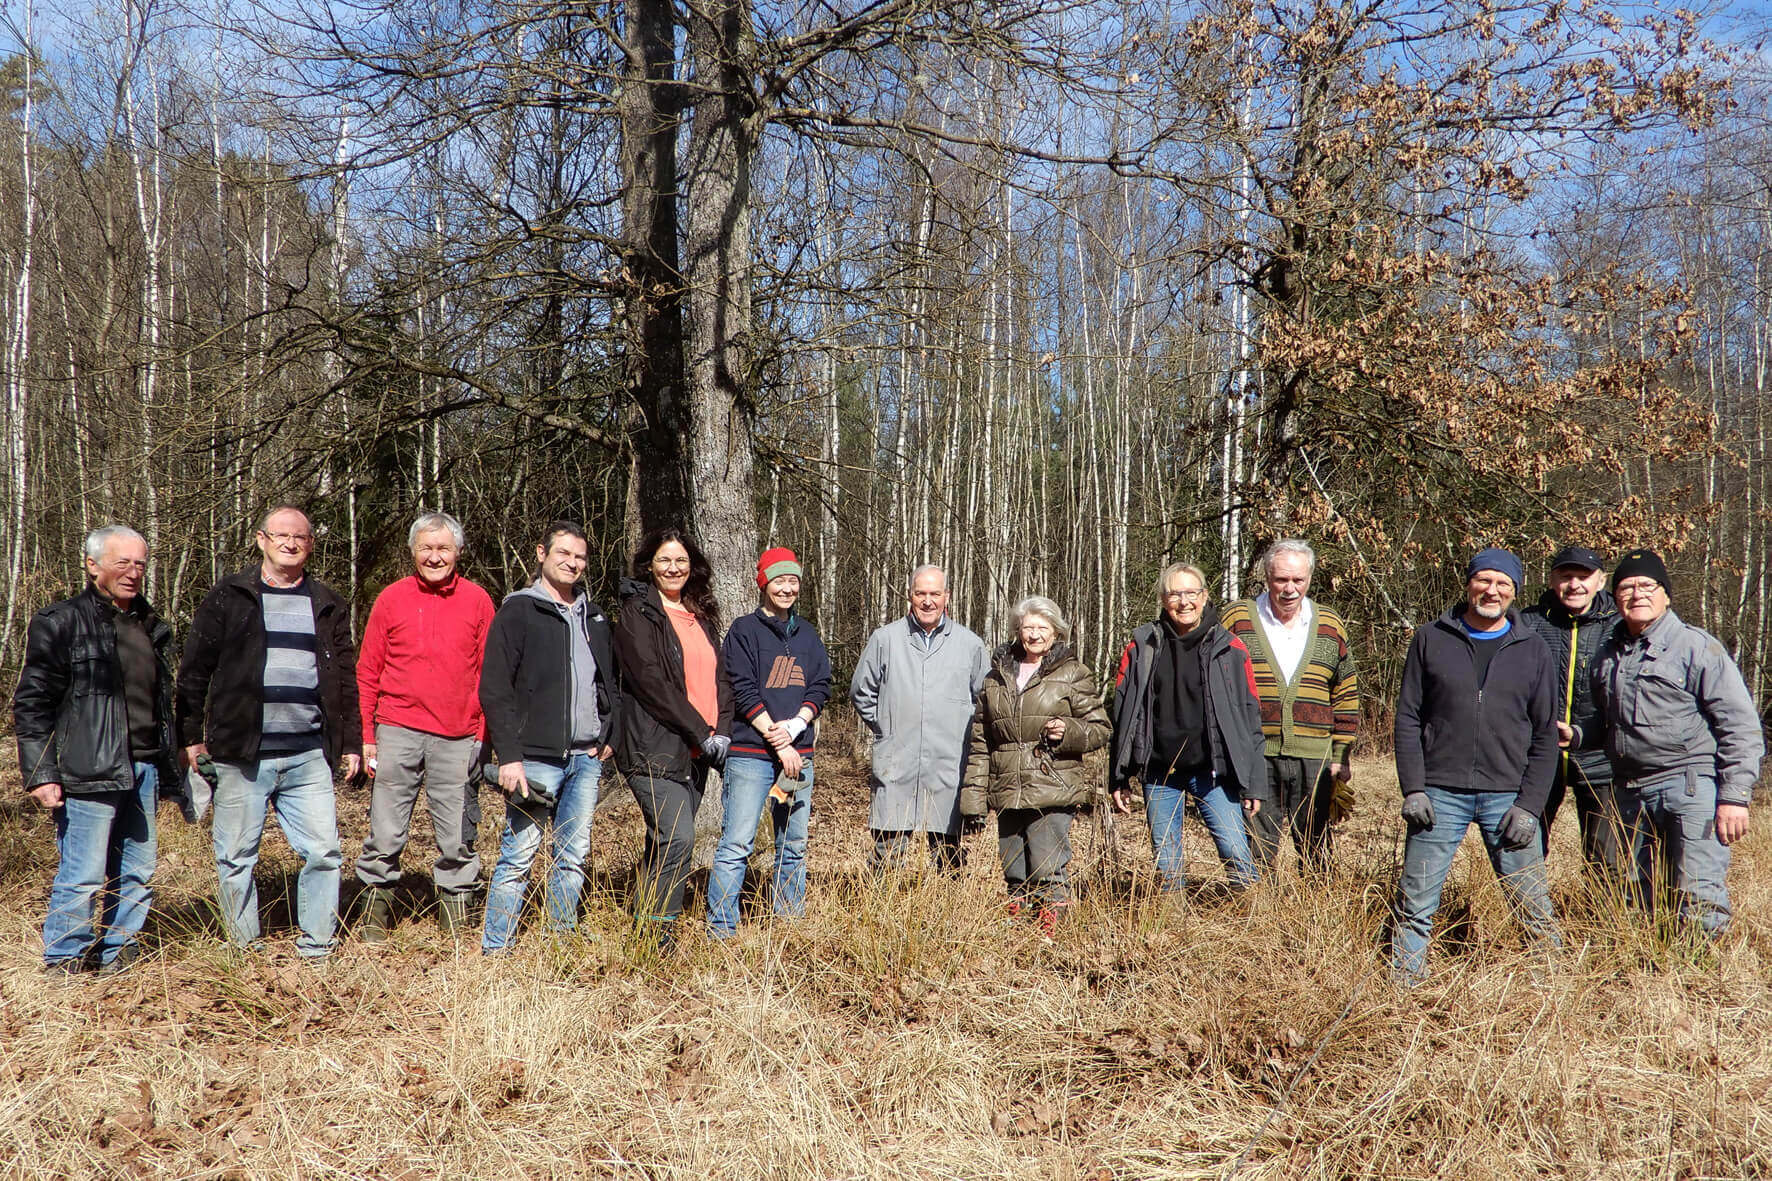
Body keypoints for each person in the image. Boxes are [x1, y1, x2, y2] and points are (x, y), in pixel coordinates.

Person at [176, 506, 361, 959]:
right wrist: (189, 736)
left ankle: (317, 945)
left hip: (308, 754)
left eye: (300, 537)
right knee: (236, 857)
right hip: (242, 752)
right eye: (281, 535)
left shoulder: (327, 603)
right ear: (261, 539)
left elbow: (345, 680)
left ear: (310, 545)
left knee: (323, 854)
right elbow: (194, 672)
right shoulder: (230, 596)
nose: (290, 543)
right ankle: (243, 948)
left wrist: (351, 742)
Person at [1390, 548, 1562, 983]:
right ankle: (1403, 991)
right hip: (1438, 793)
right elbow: (1408, 717)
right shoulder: (1430, 638)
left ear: (1514, 591)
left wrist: (1530, 805)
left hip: (1508, 797)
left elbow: (1545, 734)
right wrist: (1413, 787)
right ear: (1468, 584)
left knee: (1533, 907)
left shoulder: (1534, 649)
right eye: (1484, 580)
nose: (1493, 590)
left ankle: (1554, 993)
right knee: (1416, 905)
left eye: (1503, 584)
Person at [13, 526, 178, 977]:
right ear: (92, 565)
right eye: (122, 562)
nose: (132, 572)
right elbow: (32, 702)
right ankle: (64, 961)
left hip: (143, 767)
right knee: (83, 874)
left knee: (138, 873)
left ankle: (118, 955)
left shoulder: (149, 624)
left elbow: (159, 702)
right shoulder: (62, 621)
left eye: (140, 564)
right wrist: (40, 772)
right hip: (87, 767)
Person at [1585, 549, 1764, 936]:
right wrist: (1578, 734)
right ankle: (1655, 974)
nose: (1637, 594)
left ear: (1665, 593)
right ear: (1614, 598)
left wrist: (1734, 797)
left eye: (1647, 585)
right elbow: (1607, 723)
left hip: (1689, 784)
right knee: (1640, 892)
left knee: (1698, 890)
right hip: (1630, 791)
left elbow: (1740, 725)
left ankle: (1700, 980)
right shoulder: (1606, 656)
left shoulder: (1696, 647)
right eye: (1626, 587)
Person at [477, 520, 620, 954]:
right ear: (542, 553)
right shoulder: (519, 610)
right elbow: (495, 688)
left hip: (585, 758)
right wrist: (510, 757)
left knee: (572, 857)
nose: (572, 563)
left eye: (579, 557)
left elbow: (607, 681)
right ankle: (496, 948)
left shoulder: (594, 616)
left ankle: (559, 943)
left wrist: (609, 729)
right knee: (519, 856)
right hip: (535, 758)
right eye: (564, 554)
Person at [353, 511, 496, 940]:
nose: (435, 557)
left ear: (458, 552)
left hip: (458, 734)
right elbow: (367, 671)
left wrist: (482, 735)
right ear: (413, 552)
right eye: (426, 548)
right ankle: (373, 924)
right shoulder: (391, 599)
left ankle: (456, 926)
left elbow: (490, 675)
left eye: (443, 548)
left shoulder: (478, 600)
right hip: (396, 729)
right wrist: (366, 736)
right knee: (385, 831)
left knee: (456, 835)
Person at [1109, 562, 1269, 893]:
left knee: (1236, 852)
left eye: (1191, 593)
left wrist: (1254, 783)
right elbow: (1123, 715)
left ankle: (1256, 928)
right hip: (1159, 774)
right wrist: (1118, 776)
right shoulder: (1142, 645)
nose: (1184, 602)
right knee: (1167, 864)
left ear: (1205, 596)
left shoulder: (1231, 648)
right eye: (1175, 594)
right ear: (1163, 599)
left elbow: (1250, 719)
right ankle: (1171, 930)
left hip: (1214, 772)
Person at [961, 597, 1110, 934]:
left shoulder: (1073, 673)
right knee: (1013, 869)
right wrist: (973, 799)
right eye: (1028, 627)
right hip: (1006, 789)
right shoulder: (996, 676)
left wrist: (1067, 731)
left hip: (1051, 786)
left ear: (1056, 632)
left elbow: (1100, 729)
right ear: (1018, 630)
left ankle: (1052, 936)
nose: (1034, 634)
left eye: (1042, 627)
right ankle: (1018, 935)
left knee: (1047, 867)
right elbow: (982, 741)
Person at [614, 527, 733, 944]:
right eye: (664, 560)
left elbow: (720, 678)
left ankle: (642, 925)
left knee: (662, 842)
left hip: (698, 752)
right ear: (649, 565)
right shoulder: (637, 613)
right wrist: (701, 729)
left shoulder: (699, 615)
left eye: (680, 560)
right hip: (653, 745)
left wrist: (722, 732)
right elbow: (651, 682)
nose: (673, 567)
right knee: (679, 837)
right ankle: (656, 938)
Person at [707, 548, 833, 938]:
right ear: (763, 583)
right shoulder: (744, 630)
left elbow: (821, 684)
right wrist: (779, 742)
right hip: (751, 754)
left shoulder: (807, 634)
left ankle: (790, 924)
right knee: (737, 844)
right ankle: (722, 930)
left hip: (799, 755)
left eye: (793, 580)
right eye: (779, 580)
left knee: (792, 845)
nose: (787, 587)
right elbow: (741, 690)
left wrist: (797, 725)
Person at [1219, 539, 1360, 874]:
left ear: (1310, 578)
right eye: (1281, 579)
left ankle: (1317, 917)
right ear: (1267, 577)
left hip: (1315, 755)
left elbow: (1347, 689)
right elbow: (1216, 685)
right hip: (1255, 753)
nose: (1290, 589)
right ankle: (1258, 917)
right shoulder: (1237, 618)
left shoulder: (1329, 624)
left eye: (1298, 580)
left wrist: (1342, 754)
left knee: (1317, 847)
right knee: (1256, 844)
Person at [850, 565, 990, 874]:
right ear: (909, 595)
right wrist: (887, 725)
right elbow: (861, 691)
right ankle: (880, 916)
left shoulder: (970, 645)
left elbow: (985, 703)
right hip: (897, 761)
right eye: (920, 593)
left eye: (935, 594)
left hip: (949, 764)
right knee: (887, 852)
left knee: (949, 855)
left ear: (947, 597)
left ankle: (945, 916)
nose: (928, 601)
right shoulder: (885, 639)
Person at [1518, 545, 1625, 876]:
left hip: (1600, 758)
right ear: (1552, 580)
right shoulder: (1527, 623)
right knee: (1522, 849)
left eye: (1584, 577)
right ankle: (1527, 922)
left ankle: (1600, 926)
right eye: (1566, 577)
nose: (1575, 584)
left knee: (1607, 859)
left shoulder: (1619, 627)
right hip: (1536, 759)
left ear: (1600, 581)